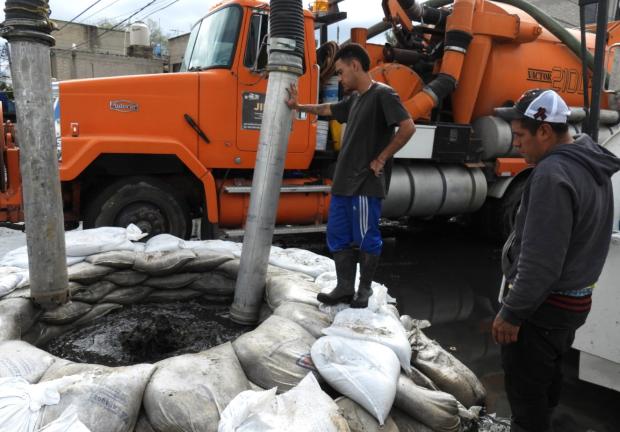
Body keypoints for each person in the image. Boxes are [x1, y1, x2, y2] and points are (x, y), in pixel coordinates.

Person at [492, 88, 620, 432]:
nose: (515, 144)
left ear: (544, 131)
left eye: (520, 135)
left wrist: (512, 313)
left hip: (541, 310)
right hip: (573, 306)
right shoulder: (591, 163)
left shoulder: (552, 174)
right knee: (546, 384)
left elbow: (540, 262)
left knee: (526, 400)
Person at [286, 43, 415, 308]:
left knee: (367, 237)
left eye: (342, 72)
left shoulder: (384, 95)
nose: (341, 78)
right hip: (344, 183)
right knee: (337, 236)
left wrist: (381, 158)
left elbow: (408, 127)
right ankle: (344, 287)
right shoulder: (355, 99)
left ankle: (364, 290)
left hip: (365, 183)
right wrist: (297, 105)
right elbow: (327, 109)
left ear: (355, 65)